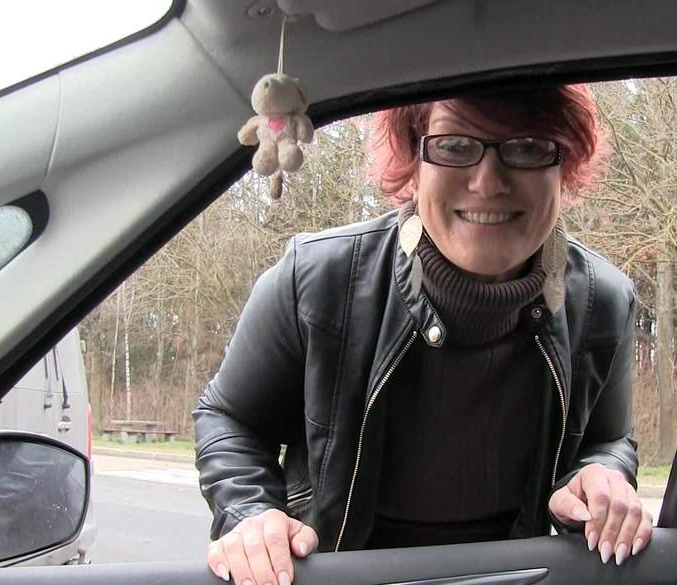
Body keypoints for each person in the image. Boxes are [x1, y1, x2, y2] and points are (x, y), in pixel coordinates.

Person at [194, 85, 653, 585]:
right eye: (454, 146)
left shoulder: (604, 303)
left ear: (564, 166)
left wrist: (600, 477)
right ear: (414, 164)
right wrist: (252, 514)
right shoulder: (316, 280)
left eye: (527, 147)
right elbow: (229, 418)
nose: (488, 181)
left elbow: (608, 440)